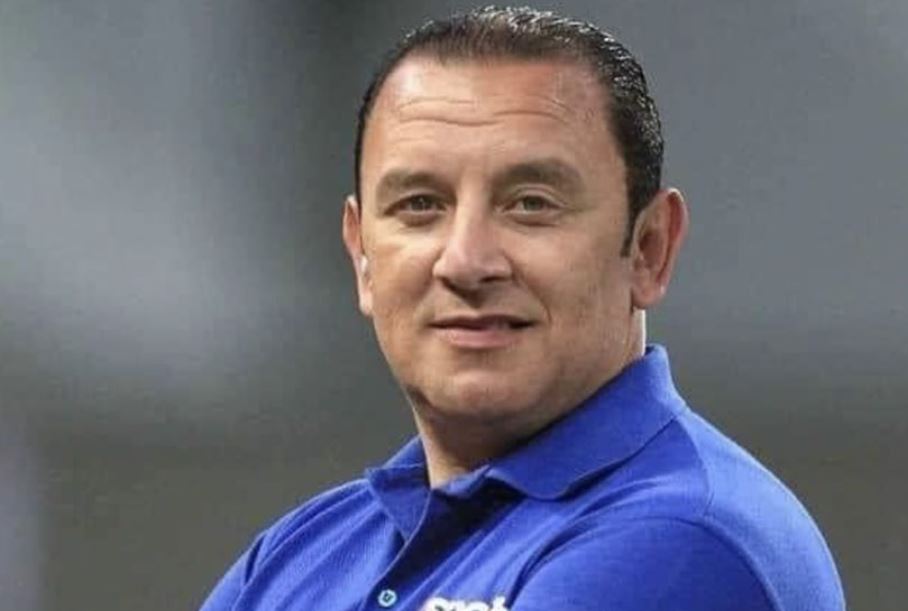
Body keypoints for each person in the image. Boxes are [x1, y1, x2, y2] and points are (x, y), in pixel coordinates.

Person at [200, 7, 845, 610]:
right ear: (362, 256)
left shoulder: (683, 542)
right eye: (420, 205)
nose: (465, 262)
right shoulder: (297, 555)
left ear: (649, 249)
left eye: (531, 204)